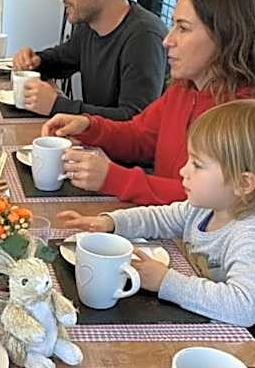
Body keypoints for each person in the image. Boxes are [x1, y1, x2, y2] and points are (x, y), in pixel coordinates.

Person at [42, 0, 255, 205]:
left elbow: (203, 201)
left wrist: (114, 178)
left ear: (227, 37)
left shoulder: (241, 118)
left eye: (183, 28)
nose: (167, 40)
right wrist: (88, 126)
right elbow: (140, 136)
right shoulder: (183, 89)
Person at [57, 101, 255, 328]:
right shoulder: (204, 209)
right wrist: (111, 222)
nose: (183, 171)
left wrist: (165, 281)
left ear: (243, 183)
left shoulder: (247, 235)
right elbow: (160, 218)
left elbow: (244, 307)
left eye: (197, 165)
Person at [13, 0, 167, 121]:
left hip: (114, 151)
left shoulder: (144, 37)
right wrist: (35, 61)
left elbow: (134, 120)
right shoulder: (89, 24)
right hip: (93, 145)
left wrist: (57, 105)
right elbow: (62, 59)